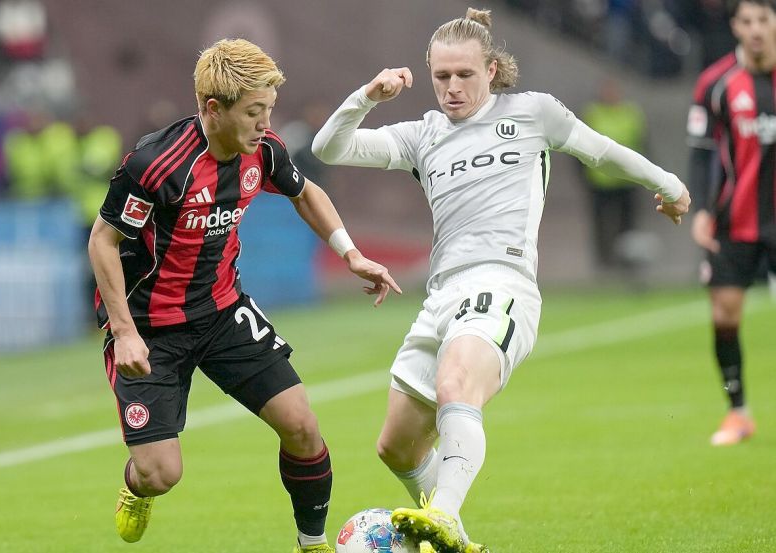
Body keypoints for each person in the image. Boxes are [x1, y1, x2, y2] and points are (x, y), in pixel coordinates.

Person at [312, 8, 690, 553]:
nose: (452, 87)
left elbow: (601, 149)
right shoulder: (423, 135)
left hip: (502, 282)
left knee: (455, 387)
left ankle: (443, 514)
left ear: (492, 69)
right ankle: (452, 535)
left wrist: (669, 183)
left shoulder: (532, 112)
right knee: (396, 445)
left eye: (465, 74)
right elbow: (330, 149)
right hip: (441, 293)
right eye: (441, 77)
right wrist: (369, 95)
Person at [88, 38, 400, 553]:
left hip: (222, 312)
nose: (264, 123)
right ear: (213, 109)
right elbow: (103, 238)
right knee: (162, 473)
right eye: (255, 111)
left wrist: (349, 254)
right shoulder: (157, 164)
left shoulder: (264, 151)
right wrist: (123, 331)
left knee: (301, 423)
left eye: (268, 110)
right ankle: (136, 484)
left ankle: (312, 542)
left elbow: (305, 192)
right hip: (150, 330)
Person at [686, 0, 776, 446]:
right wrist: (701, 208)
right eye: (747, 21)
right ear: (735, 26)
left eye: (764, 19)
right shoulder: (715, 82)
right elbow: (701, 152)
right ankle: (738, 412)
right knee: (724, 315)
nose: (756, 29)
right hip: (733, 221)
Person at [581, 77, 647, 270]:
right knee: (601, 225)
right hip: (600, 181)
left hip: (627, 180)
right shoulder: (593, 113)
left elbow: (642, 143)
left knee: (628, 224)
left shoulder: (631, 113)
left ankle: (628, 262)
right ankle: (604, 263)